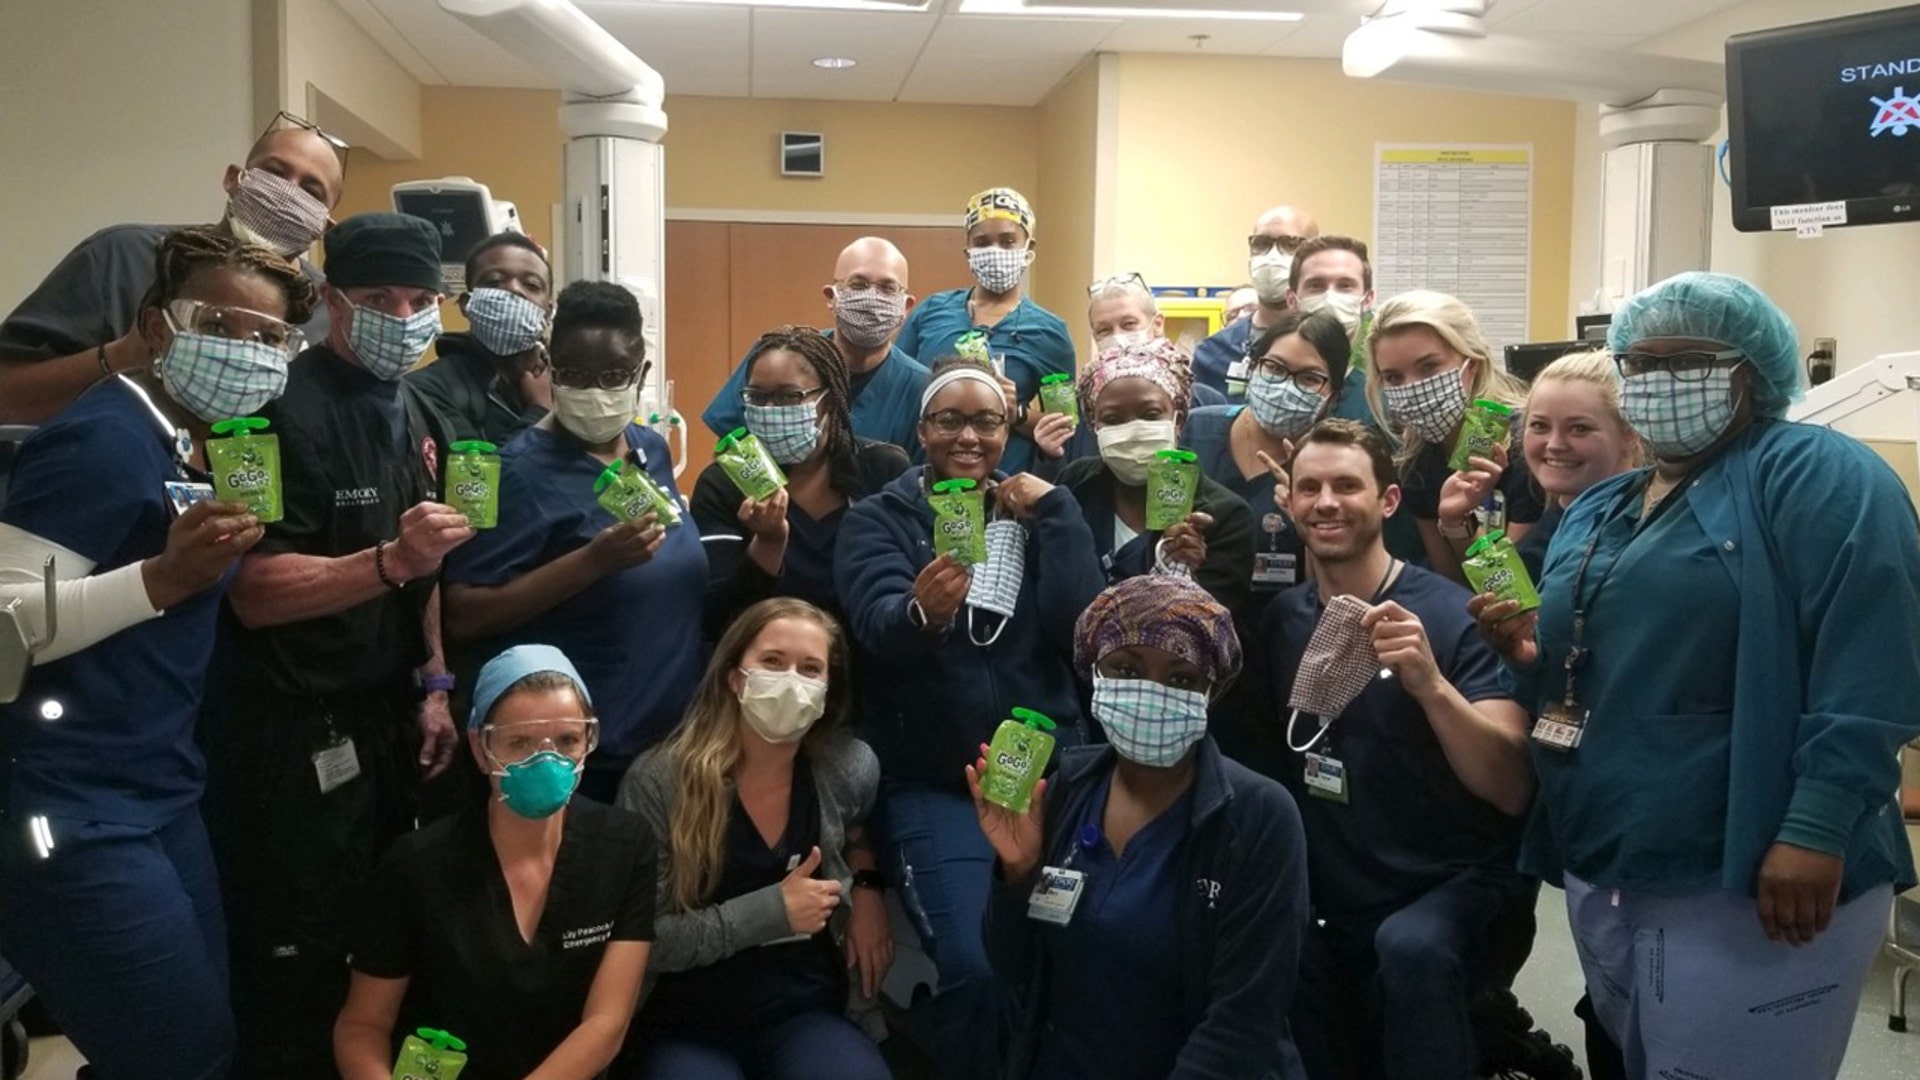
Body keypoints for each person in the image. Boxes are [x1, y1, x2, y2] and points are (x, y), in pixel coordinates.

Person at [1472, 272, 1920, 1080]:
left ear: (1753, 369)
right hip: (1613, 851)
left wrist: (1816, 825)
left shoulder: (1816, 475)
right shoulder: (1606, 505)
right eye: (1637, 366)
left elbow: (1872, 656)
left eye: (1685, 361)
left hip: (1755, 866)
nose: (1656, 384)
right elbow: (1610, 657)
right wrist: (1530, 660)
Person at [0, 228, 311, 1080]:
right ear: (157, 325)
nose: (245, 351)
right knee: (178, 1055)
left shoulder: (201, 443)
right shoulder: (101, 438)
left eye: (267, 338)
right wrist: (161, 580)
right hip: (68, 801)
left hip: (160, 789)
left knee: (191, 1041)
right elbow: (0, 628)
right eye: (220, 324)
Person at [202, 211, 473, 1079]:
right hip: (288, 738)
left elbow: (426, 564)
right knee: (300, 971)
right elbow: (249, 591)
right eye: (377, 298)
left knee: (382, 941)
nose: (403, 316)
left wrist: (433, 684)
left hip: (386, 721)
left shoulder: (418, 406)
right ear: (329, 301)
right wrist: (389, 560)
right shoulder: (269, 410)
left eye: (420, 299)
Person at [834, 356, 1105, 1079]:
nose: (968, 436)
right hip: (937, 783)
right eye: (948, 419)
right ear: (921, 429)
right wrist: (923, 615)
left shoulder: (1037, 507)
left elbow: (1081, 628)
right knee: (977, 967)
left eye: (985, 420)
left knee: (1081, 956)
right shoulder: (880, 520)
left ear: (1007, 428)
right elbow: (876, 626)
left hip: (1048, 775)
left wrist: (1056, 516)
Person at [1257, 419, 1534, 1080]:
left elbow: (1512, 787)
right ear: (1289, 503)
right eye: (1310, 488)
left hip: (1451, 885)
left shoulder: (1449, 616)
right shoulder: (1283, 621)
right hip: (1339, 888)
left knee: (1409, 949)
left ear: (1385, 501)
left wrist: (1432, 687)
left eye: (1347, 486)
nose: (1326, 502)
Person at [974, 574, 1310, 1079]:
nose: (1151, 692)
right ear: (1095, 675)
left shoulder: (1259, 817)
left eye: (1180, 678)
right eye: (1126, 669)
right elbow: (1015, 971)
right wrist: (1017, 872)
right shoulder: (1065, 788)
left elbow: (1242, 1022)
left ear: (1211, 692)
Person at [336, 645, 655, 1080]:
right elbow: (363, 1026)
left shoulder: (625, 846)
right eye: (519, 743)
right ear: (481, 748)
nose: (547, 761)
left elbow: (606, 1023)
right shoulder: (418, 865)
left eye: (567, 740)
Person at [443, 281, 707, 803]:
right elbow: (463, 615)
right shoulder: (515, 471)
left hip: (675, 745)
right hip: (583, 753)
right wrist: (591, 562)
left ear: (642, 374)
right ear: (547, 366)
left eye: (612, 376)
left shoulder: (649, 449)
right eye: (574, 374)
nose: (593, 390)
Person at [618, 598, 892, 1080]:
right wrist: (770, 913)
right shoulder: (659, 781)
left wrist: (868, 888)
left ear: (827, 691)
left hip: (804, 1012)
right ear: (733, 676)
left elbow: (856, 830)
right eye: (772, 662)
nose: (791, 680)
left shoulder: (847, 768)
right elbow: (643, 939)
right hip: (685, 1023)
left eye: (811, 669)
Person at [0, 112, 348, 425]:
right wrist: (122, 356)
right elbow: (7, 395)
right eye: (274, 172)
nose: (287, 193)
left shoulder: (327, 310)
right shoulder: (122, 258)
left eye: (311, 191)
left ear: (325, 226)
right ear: (234, 179)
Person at [691, 326, 910, 625]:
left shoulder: (881, 469)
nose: (769, 410)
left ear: (830, 400)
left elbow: (896, 589)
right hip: (764, 659)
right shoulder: (724, 483)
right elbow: (715, 613)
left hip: (863, 660)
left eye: (788, 396)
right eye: (757, 397)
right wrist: (768, 544)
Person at [1055, 337, 1255, 612]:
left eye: (1150, 415)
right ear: (1094, 426)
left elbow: (1211, 630)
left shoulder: (1224, 517)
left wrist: (1187, 579)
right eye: (1113, 420)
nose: (1134, 430)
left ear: (1179, 419)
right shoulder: (1075, 486)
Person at [1365, 290, 1542, 582]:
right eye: (1394, 378)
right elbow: (1450, 580)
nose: (1414, 388)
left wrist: (1459, 524)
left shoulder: (1524, 443)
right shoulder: (1415, 460)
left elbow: (1513, 589)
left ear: (1471, 364)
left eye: (1429, 367)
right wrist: (1455, 524)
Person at [896, 188, 1076, 474]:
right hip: (928, 473)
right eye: (982, 242)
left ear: (1028, 249)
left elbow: (1064, 427)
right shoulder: (932, 312)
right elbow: (898, 388)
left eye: (1007, 241)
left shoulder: (1049, 333)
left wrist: (1015, 412)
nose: (995, 251)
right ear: (968, 250)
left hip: (1006, 482)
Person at [702, 237, 930, 452]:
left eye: (887, 288)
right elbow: (729, 444)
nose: (872, 298)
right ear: (832, 297)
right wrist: (767, 488)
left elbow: (925, 475)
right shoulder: (776, 358)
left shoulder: (920, 388)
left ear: (906, 306)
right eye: (858, 285)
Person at [1183, 310, 1349, 600]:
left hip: (1280, 632)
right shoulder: (1194, 431)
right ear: (1253, 368)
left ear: (1332, 395)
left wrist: (1309, 520)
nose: (1285, 386)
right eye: (1275, 368)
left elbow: (1329, 592)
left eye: (1310, 378)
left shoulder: (1334, 467)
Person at [407, 231, 554, 446]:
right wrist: (539, 412)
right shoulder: (427, 389)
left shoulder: (570, 382)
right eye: (494, 281)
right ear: (467, 304)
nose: (514, 289)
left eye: (531, 285)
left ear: (548, 312)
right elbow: (478, 478)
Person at [1508, 350, 1641, 578]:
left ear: (1629, 433)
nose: (1555, 444)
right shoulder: (1554, 524)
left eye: (1579, 429)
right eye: (1540, 425)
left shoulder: (1642, 535)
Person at [1190, 205, 1318, 402]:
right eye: (1261, 243)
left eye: (1290, 243)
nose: (1272, 256)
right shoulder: (1212, 353)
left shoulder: (1331, 345)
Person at [1287, 235, 1378, 425]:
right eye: (1316, 285)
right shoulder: (1273, 377)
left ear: (1367, 299)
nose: (1329, 297)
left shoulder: (1380, 386)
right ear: (1292, 300)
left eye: (1345, 285)